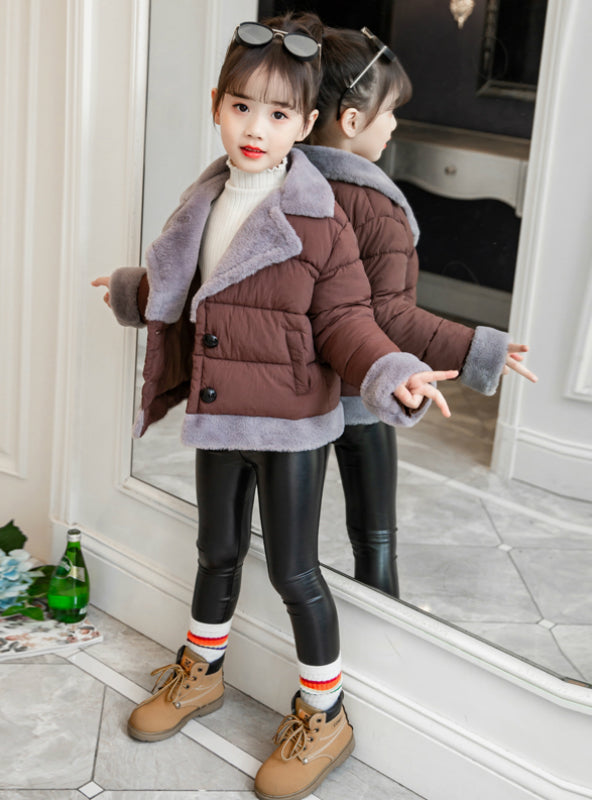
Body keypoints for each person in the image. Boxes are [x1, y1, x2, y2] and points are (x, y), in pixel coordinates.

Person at [92, 14, 458, 800]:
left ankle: (324, 714)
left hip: (291, 426)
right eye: (242, 107)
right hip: (221, 411)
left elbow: (347, 320)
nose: (257, 129)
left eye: (279, 113)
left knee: (295, 571)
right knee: (217, 550)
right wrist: (131, 290)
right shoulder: (205, 198)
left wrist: (393, 371)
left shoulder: (320, 217)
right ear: (217, 106)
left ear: (307, 122)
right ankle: (201, 671)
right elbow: (196, 283)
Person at [300, 25, 537, 598]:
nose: (394, 125)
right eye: (389, 112)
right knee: (375, 537)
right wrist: (480, 349)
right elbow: (389, 316)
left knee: (293, 543)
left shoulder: (280, 184)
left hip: (296, 392)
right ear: (351, 120)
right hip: (365, 391)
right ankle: (383, 623)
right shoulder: (376, 208)